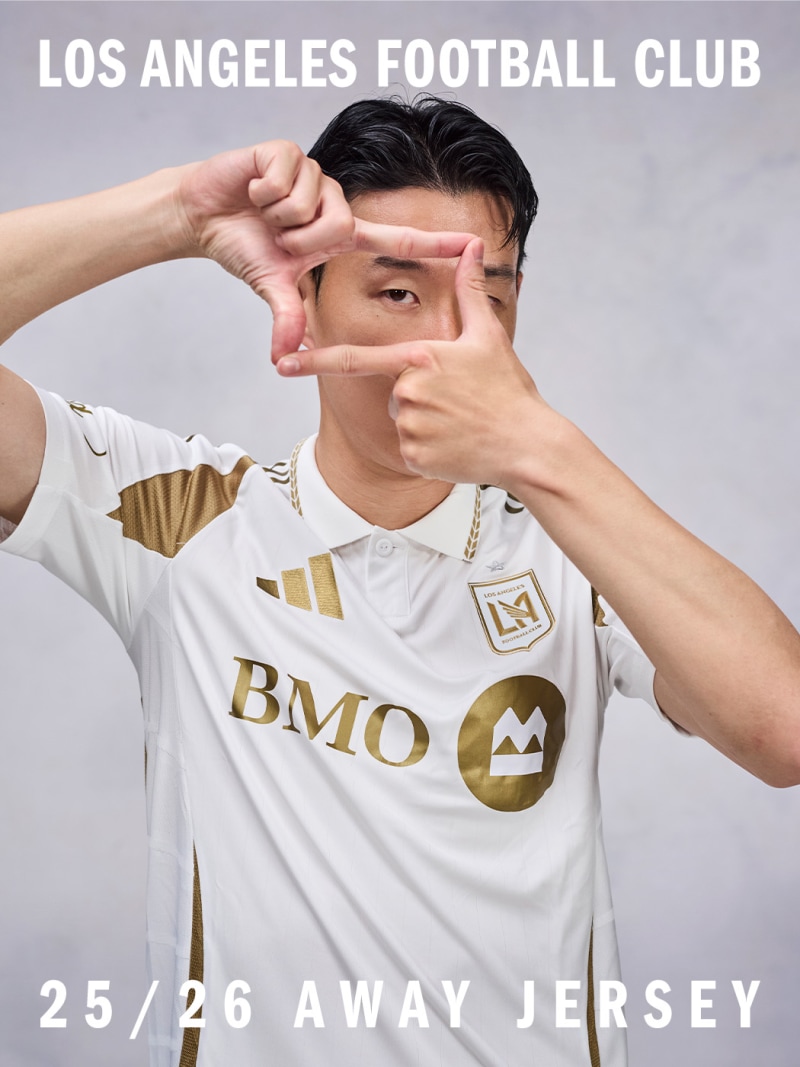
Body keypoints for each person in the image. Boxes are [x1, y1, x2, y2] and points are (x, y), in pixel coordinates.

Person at [1, 96, 798, 1067]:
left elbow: (781, 726)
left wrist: (537, 450)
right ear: (304, 289)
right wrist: (176, 214)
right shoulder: (182, 517)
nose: (446, 344)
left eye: (487, 298)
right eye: (397, 292)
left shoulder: (575, 546)